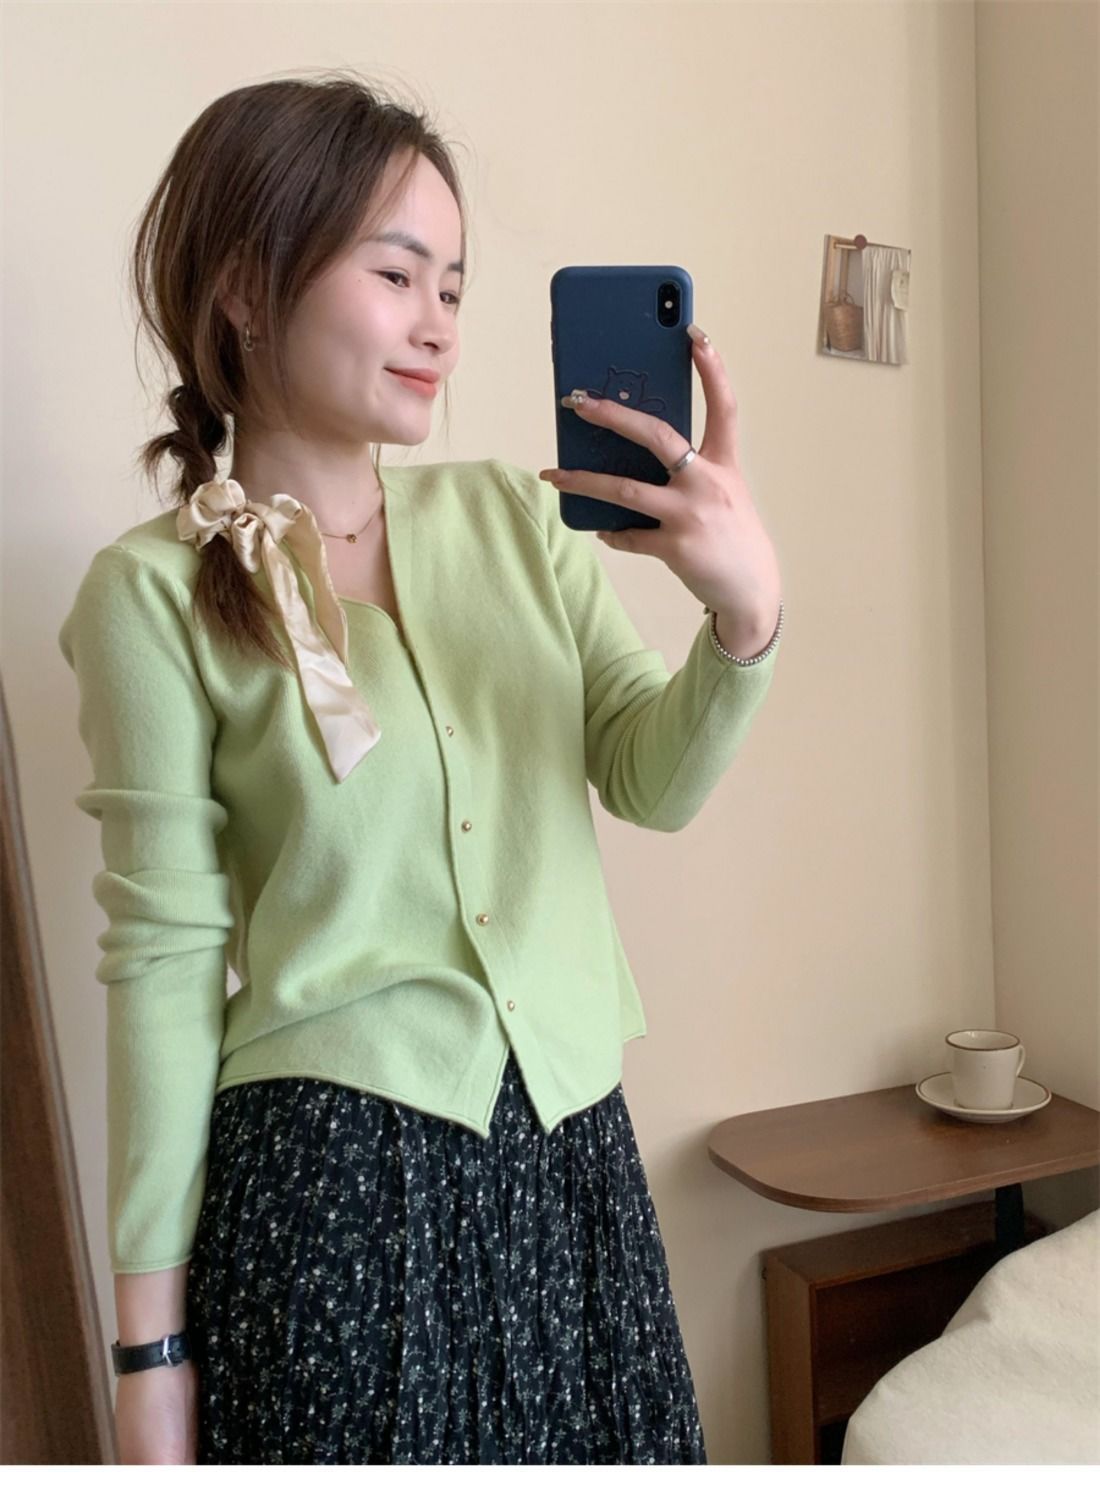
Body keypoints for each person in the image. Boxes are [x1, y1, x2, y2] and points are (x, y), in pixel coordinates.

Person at [58, 69, 784, 1465]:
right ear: (246, 288)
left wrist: (742, 619)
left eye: (452, 286)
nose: (439, 322)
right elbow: (160, 962)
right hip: (333, 1196)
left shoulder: (518, 517)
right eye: (397, 275)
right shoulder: (151, 596)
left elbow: (651, 778)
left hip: (572, 1166)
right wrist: (150, 1357)